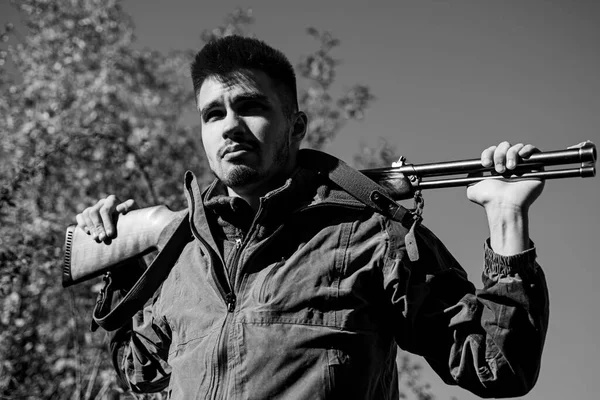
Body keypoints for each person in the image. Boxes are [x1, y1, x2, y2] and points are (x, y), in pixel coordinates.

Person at [76, 36, 549, 399]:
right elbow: (140, 370)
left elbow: (498, 366)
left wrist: (506, 220)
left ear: (296, 126)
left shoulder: (370, 233)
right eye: (212, 114)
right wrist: (122, 265)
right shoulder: (183, 253)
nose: (230, 126)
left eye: (251, 106)